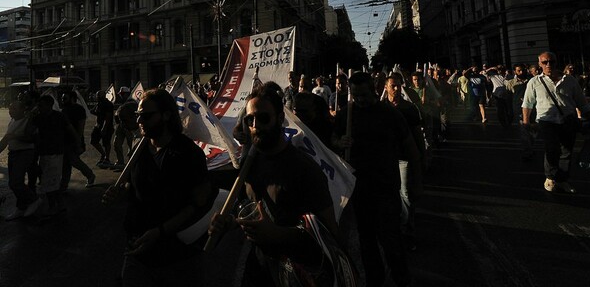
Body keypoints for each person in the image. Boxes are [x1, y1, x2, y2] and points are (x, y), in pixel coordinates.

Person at [210, 84, 348, 286]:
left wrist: (278, 234)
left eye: (264, 118)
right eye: (250, 120)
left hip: (299, 273)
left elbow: (328, 233)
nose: (255, 125)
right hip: (260, 268)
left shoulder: (304, 168)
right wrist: (229, 223)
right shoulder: (250, 164)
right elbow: (248, 210)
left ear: (280, 119)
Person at [102, 88, 217, 287]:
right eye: (138, 115)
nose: (139, 121)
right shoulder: (138, 150)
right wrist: (120, 193)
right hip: (138, 250)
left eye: (146, 116)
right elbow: (135, 188)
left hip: (177, 256)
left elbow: (196, 204)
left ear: (166, 115)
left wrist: (160, 231)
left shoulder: (187, 153)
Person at [332, 72, 421, 287]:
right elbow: (332, 140)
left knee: (391, 239)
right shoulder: (346, 114)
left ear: (373, 90)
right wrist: (339, 142)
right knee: (367, 240)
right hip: (359, 189)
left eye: (364, 94)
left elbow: (409, 144)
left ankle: (401, 278)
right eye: (356, 95)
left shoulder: (389, 113)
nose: (360, 99)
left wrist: (417, 176)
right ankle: (375, 279)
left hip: (386, 186)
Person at [522, 52, 590, 194]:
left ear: (557, 62)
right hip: (546, 120)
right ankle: (550, 177)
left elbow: (581, 101)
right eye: (545, 62)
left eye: (552, 61)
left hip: (568, 120)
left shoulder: (569, 80)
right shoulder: (535, 82)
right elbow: (527, 104)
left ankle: (562, 180)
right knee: (552, 148)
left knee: (566, 151)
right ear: (540, 64)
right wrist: (526, 123)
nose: (548, 64)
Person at [383, 73, 426, 251]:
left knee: (406, 194)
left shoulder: (409, 108)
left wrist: (422, 157)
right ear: (385, 87)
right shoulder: (381, 109)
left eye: (399, 85)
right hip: (385, 159)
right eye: (392, 85)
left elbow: (417, 135)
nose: (396, 89)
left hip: (404, 158)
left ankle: (408, 231)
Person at [32, 95, 82, 216]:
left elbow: (71, 130)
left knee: (52, 182)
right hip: (43, 153)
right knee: (47, 181)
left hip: (56, 153)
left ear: (49, 105)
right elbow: (30, 132)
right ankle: (59, 205)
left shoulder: (59, 116)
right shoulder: (38, 117)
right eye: (38, 105)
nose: (39, 108)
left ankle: (54, 206)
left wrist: (78, 143)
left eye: (41, 105)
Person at [0, 101, 41, 220]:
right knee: (13, 183)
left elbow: (31, 139)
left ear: (23, 109)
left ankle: (34, 200)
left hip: (24, 153)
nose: (10, 111)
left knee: (17, 182)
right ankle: (21, 207)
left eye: (14, 109)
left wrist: (14, 136)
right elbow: (5, 140)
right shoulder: (12, 121)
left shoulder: (28, 121)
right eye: (10, 109)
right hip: (13, 153)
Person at [60, 91, 96, 190]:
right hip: (65, 140)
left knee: (74, 161)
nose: (62, 100)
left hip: (74, 140)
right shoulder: (64, 110)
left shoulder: (79, 109)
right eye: (62, 98)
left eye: (65, 98)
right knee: (66, 164)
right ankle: (63, 185)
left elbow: (81, 126)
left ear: (72, 98)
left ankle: (90, 175)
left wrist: (78, 142)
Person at [506, 64, 536, 160]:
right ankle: (527, 150)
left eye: (522, 70)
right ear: (515, 71)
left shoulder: (531, 81)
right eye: (519, 71)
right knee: (524, 130)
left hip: (533, 108)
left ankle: (530, 145)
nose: (521, 72)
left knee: (532, 130)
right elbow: (509, 98)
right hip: (519, 109)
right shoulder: (511, 83)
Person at [112, 100, 140, 170]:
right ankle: (121, 162)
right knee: (116, 144)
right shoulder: (123, 106)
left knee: (132, 147)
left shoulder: (132, 105)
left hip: (130, 127)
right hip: (122, 127)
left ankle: (131, 165)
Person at [90, 90, 115, 169]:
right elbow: (94, 112)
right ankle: (103, 154)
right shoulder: (99, 104)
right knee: (93, 141)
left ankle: (107, 158)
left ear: (103, 96)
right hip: (98, 125)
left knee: (106, 143)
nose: (97, 97)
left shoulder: (108, 104)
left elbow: (108, 117)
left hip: (107, 127)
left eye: (98, 96)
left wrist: (104, 128)